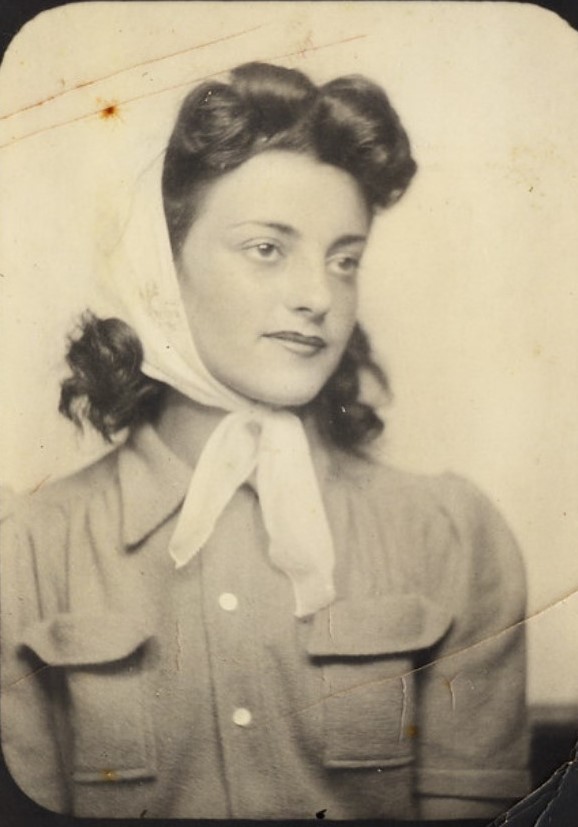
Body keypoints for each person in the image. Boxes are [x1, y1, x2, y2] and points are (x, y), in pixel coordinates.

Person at [0, 61, 529, 820]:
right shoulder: (25, 555)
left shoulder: (449, 535)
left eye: (344, 259)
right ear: (157, 270)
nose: (319, 295)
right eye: (267, 249)